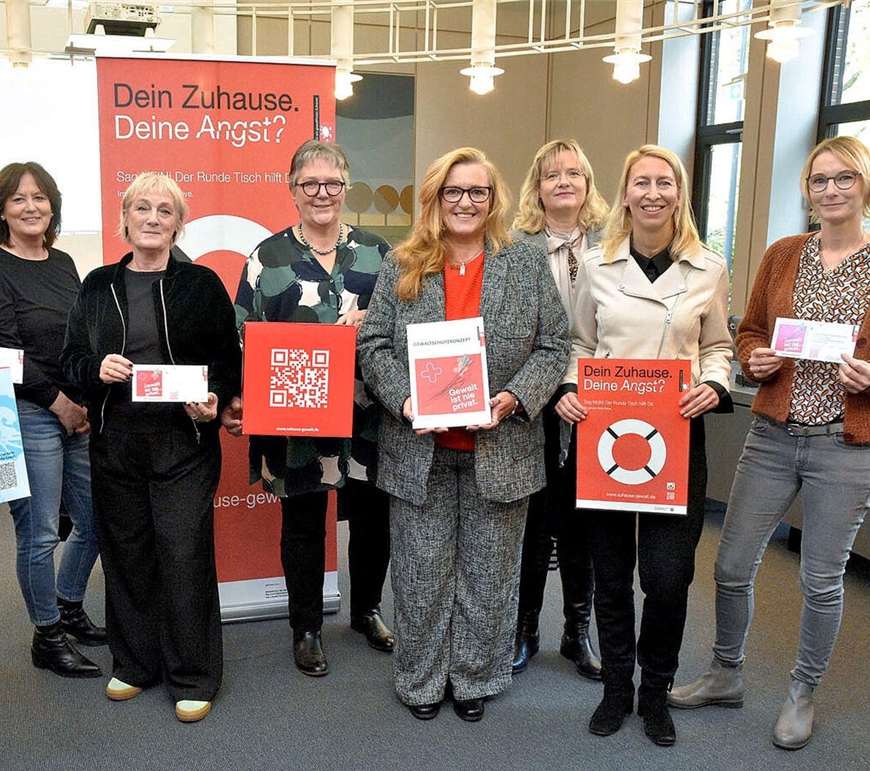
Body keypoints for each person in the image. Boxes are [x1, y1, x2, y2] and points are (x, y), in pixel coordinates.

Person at [669, 136, 870, 750]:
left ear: (865, 184)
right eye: (820, 180)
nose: (832, 190)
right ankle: (725, 673)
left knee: (820, 579)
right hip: (772, 434)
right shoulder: (785, 253)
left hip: (845, 445)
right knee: (731, 565)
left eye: (845, 178)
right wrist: (753, 358)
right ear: (807, 190)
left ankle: (802, 693)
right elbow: (753, 329)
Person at [357, 147, 570, 722]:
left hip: (501, 448)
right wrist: (405, 399)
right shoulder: (402, 262)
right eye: (453, 192)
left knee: (489, 574)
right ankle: (421, 679)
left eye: (478, 192)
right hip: (418, 449)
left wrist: (513, 399)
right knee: (421, 574)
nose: (465, 203)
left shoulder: (524, 264)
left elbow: (555, 347)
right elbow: (371, 344)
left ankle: (474, 676)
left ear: (494, 200)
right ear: (435, 199)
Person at [555, 144, 733, 746]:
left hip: (678, 439)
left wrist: (713, 383)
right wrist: (568, 391)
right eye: (641, 182)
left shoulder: (708, 267)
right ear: (624, 192)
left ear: (679, 194)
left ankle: (655, 691)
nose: (653, 193)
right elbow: (578, 345)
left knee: (667, 577)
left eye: (665, 183)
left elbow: (719, 348)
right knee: (610, 576)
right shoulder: (596, 266)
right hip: (605, 441)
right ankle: (615, 688)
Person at [62, 172, 241, 722]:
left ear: (178, 224)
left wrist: (215, 398)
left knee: (183, 553)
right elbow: (70, 364)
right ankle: (135, 663)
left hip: (183, 443)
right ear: (125, 218)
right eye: (143, 208)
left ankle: (193, 674)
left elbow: (227, 359)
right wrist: (97, 368)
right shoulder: (97, 286)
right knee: (126, 552)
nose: (153, 219)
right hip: (116, 443)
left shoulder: (201, 284)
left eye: (165, 211)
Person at [224, 139, 394, 678]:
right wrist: (242, 397)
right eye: (309, 184)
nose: (322, 194)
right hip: (294, 421)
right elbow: (241, 335)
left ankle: (366, 610)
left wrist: (371, 325)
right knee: (302, 521)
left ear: (345, 188)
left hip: (366, 414)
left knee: (373, 519)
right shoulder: (267, 257)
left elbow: (406, 326)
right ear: (292, 189)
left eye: (332, 184)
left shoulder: (378, 253)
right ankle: (305, 627)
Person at [0, 162, 103, 679]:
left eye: (40, 197)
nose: (31, 207)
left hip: (77, 411)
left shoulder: (65, 262)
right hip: (28, 413)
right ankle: (47, 635)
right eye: (19, 198)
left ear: (53, 205)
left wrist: (83, 399)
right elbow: (4, 350)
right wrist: (59, 404)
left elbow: (79, 339)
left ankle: (68, 606)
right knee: (41, 531)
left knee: (94, 522)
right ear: (1, 208)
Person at [510, 139, 609, 680]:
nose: (564, 182)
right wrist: (549, 388)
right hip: (533, 403)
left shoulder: (613, 246)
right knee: (534, 523)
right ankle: (525, 629)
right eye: (552, 175)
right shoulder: (515, 249)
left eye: (574, 173)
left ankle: (577, 632)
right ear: (538, 187)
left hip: (597, 405)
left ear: (588, 184)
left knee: (582, 524)